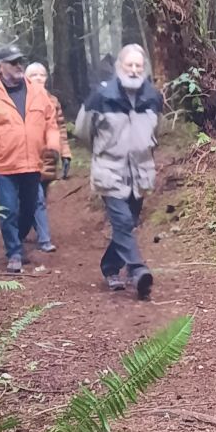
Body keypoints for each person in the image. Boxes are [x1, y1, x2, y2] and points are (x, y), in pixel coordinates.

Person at [75, 42, 163, 300]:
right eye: (129, 65)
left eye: (139, 65)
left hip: (140, 172)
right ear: (119, 67)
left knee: (130, 222)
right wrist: (104, 151)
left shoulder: (153, 97)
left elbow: (156, 131)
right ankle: (138, 271)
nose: (134, 70)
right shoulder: (101, 97)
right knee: (122, 221)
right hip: (109, 171)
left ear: (144, 68)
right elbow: (82, 131)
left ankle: (110, 267)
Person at [0, 44, 54, 274]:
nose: (19, 66)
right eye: (14, 62)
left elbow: (50, 121)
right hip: (4, 164)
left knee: (28, 208)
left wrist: (55, 148)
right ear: (0, 66)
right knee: (8, 209)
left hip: (32, 162)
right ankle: (14, 253)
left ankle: (17, 239)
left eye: (20, 62)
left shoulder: (37, 91)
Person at [24, 60, 70, 252]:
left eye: (42, 74)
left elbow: (60, 128)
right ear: (26, 78)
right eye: (34, 75)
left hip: (49, 158)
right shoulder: (21, 100)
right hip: (29, 158)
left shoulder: (53, 101)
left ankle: (26, 227)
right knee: (37, 199)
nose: (38, 78)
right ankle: (44, 239)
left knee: (38, 197)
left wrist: (65, 152)